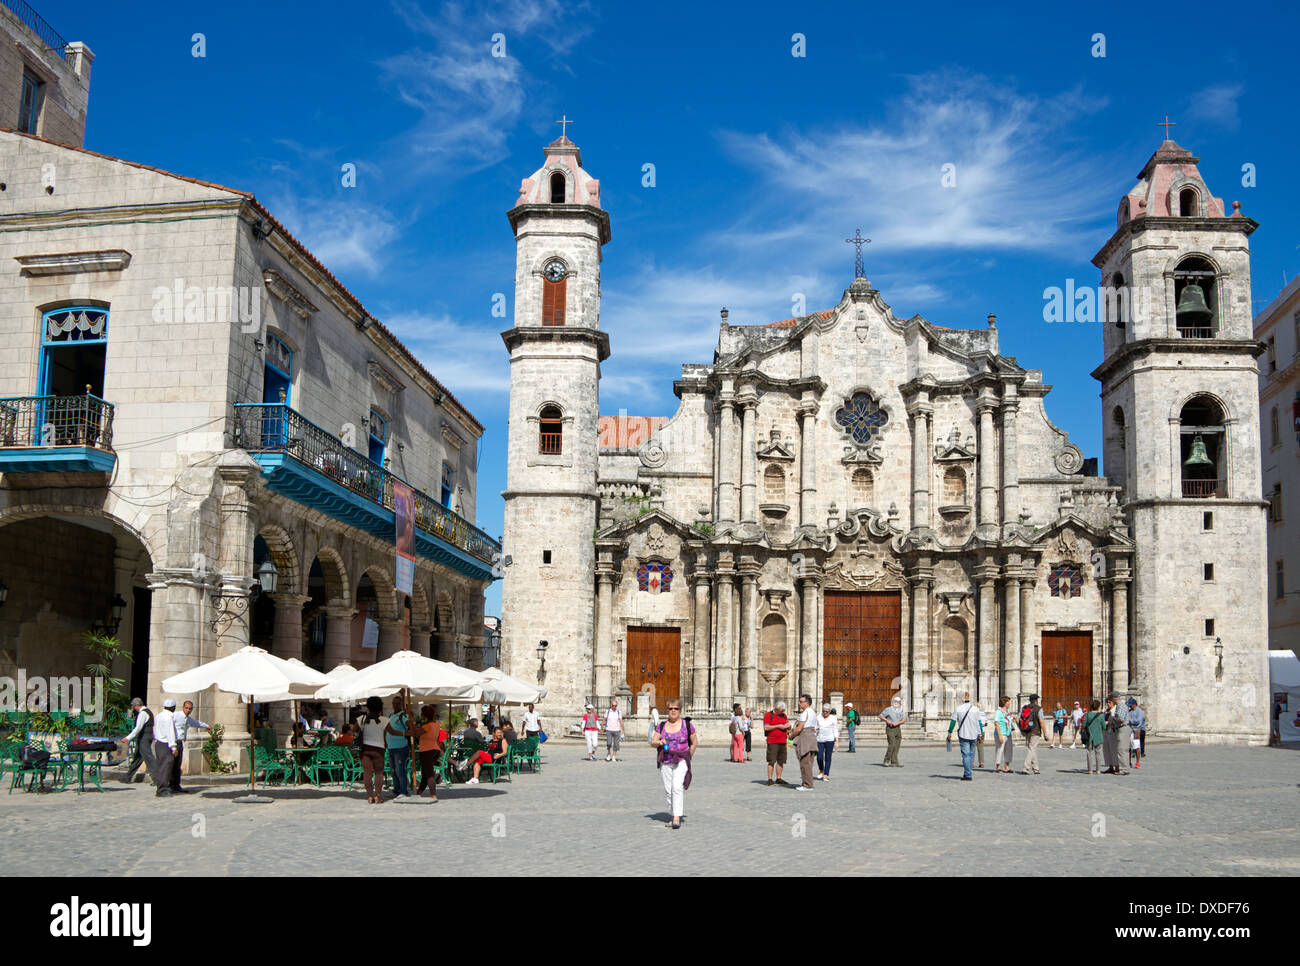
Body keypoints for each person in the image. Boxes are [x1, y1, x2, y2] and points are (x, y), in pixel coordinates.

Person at [650, 701, 696, 829]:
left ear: (680, 710)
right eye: (671, 708)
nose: (673, 710)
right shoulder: (662, 726)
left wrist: (689, 756)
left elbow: (694, 742)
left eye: (676, 708)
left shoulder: (687, 725)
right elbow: (653, 742)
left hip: (681, 760)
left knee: (676, 787)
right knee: (668, 790)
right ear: (667, 710)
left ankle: (676, 817)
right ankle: (673, 814)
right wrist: (659, 742)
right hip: (665, 761)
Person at [169, 700, 210, 793]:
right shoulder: (176, 715)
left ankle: (176, 785)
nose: (188, 710)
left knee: (177, 765)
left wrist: (207, 726)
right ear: (183, 707)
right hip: (173, 742)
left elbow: (196, 723)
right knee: (171, 764)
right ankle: (169, 785)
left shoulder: (188, 719)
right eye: (186, 708)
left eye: (190, 709)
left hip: (180, 743)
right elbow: (168, 724)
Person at [355, 696, 389, 804]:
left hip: (364, 749)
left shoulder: (361, 719)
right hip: (379, 749)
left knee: (367, 773)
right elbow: (393, 732)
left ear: (368, 707)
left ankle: (370, 796)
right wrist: (405, 733)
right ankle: (378, 796)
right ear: (380, 708)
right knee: (379, 773)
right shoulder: (384, 720)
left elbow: (353, 730)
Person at [947, 691, 983, 781]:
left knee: (966, 755)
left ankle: (968, 774)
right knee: (971, 754)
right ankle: (968, 772)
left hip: (963, 733)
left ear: (962, 700)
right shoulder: (976, 709)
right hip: (974, 734)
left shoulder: (958, 709)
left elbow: (953, 722)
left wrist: (949, 733)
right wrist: (980, 734)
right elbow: (979, 723)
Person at [120, 697, 156, 785]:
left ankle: (158, 779)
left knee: (149, 758)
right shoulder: (148, 712)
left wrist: (128, 738)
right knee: (137, 758)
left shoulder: (143, 713)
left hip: (144, 737)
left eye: (134, 706)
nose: (134, 708)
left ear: (136, 706)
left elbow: (138, 728)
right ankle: (128, 777)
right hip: (146, 736)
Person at [385, 696, 415, 798]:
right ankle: (396, 790)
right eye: (394, 703)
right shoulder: (391, 715)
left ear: (401, 704)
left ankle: (403, 791)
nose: (395, 705)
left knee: (400, 770)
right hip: (391, 747)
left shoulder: (403, 715)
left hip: (400, 747)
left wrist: (410, 721)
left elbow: (410, 726)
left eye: (398, 703)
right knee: (393, 770)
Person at [151, 699, 180, 798]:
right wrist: (173, 747)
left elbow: (155, 729)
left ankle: (163, 787)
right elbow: (170, 733)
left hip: (158, 742)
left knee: (162, 766)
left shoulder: (158, 716)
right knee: (166, 767)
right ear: (173, 708)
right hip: (165, 743)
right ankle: (162, 789)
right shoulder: (169, 718)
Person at [415, 705, 445, 800]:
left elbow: (416, 734)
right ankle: (419, 793)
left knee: (429, 774)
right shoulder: (437, 723)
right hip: (435, 749)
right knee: (425, 774)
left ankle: (433, 794)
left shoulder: (426, 726)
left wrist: (412, 726)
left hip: (426, 751)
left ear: (424, 715)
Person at [790, 694, 819, 791]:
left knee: (804, 763)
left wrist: (791, 736)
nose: (799, 703)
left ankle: (807, 785)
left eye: (801, 702)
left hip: (805, 738)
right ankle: (808, 783)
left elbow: (799, 729)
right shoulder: (813, 712)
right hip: (812, 738)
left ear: (807, 703)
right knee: (809, 763)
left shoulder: (804, 713)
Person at [1102, 692, 1130, 776]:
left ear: (1114, 698)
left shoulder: (1121, 706)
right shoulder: (1119, 706)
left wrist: (1112, 717)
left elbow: (1121, 719)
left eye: (1111, 699)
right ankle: (1122, 768)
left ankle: (1124, 769)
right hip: (1119, 729)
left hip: (1122, 728)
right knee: (1120, 750)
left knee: (1122, 750)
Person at [763, 700, 789, 786]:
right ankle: (770, 779)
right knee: (771, 760)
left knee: (781, 760)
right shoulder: (768, 715)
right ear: (776, 709)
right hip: (772, 741)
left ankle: (779, 778)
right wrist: (778, 726)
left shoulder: (784, 715)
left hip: (783, 740)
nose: (783, 712)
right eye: (781, 710)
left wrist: (788, 726)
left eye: (783, 710)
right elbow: (766, 728)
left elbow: (787, 724)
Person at [1021, 693, 1044, 775]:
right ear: (1036, 700)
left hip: (1027, 730)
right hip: (1035, 731)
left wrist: (1022, 730)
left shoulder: (1024, 708)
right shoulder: (1039, 709)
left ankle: (1036, 768)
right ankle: (1026, 768)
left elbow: (1019, 719)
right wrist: (1045, 733)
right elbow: (1041, 722)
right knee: (1031, 749)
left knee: (1032, 749)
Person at [879, 696, 906, 767]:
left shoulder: (900, 710)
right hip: (890, 728)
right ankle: (886, 760)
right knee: (892, 744)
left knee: (897, 745)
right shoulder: (888, 709)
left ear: (900, 703)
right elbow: (880, 716)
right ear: (893, 702)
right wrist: (887, 720)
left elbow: (903, 720)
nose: (897, 703)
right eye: (895, 701)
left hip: (897, 728)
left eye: (898, 702)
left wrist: (898, 723)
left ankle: (894, 762)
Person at [815, 704, 838, 780]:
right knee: (819, 757)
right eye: (823, 711)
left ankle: (826, 774)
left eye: (826, 712)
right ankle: (821, 769)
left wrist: (836, 741)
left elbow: (835, 729)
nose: (825, 713)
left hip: (830, 740)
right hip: (820, 739)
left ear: (830, 711)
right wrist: (815, 730)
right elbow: (816, 727)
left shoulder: (833, 718)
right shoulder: (819, 717)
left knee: (828, 757)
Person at [1082, 699, 1105, 774]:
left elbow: (1083, 725)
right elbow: (1104, 727)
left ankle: (1090, 770)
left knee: (1089, 753)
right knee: (1098, 753)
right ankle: (1098, 770)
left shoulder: (1087, 715)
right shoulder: (1101, 716)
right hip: (1098, 736)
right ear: (1098, 706)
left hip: (1089, 736)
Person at [993, 696, 1015, 773]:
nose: (1009, 703)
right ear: (1004, 703)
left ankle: (1007, 766)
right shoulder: (998, 712)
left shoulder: (1007, 712)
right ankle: (998, 767)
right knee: (1000, 749)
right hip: (1001, 733)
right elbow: (996, 723)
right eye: (1008, 701)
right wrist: (999, 735)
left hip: (1008, 733)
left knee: (1009, 750)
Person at [1127, 698, 1145, 769]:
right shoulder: (1129, 711)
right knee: (1129, 747)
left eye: (1131, 705)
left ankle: (1137, 762)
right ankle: (1129, 762)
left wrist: (1130, 721)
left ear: (1134, 704)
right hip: (1130, 730)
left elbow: (1138, 721)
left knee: (1136, 746)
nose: (1130, 706)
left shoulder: (1139, 711)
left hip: (1136, 730)